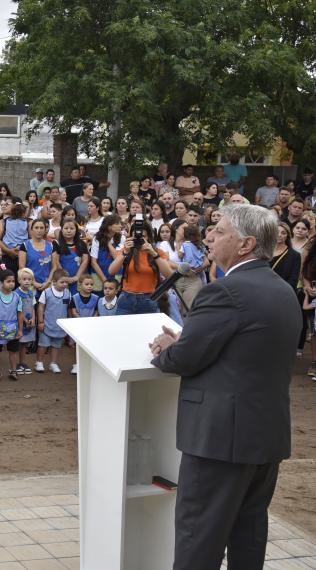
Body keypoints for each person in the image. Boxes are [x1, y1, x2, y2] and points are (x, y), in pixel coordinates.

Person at [149, 204, 299, 570]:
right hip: (264, 436)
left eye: (220, 230)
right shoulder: (282, 289)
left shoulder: (226, 292)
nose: (210, 236)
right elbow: (244, 350)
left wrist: (171, 348)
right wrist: (192, 339)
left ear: (246, 244)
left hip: (220, 441)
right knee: (248, 537)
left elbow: (184, 360)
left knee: (199, 539)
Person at [109, 223, 174, 315]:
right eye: (136, 236)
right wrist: (125, 252)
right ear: (131, 237)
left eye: (143, 236)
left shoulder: (157, 252)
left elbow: (169, 274)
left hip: (148, 298)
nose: (139, 239)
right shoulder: (126, 250)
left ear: (149, 237)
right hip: (127, 298)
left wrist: (154, 254)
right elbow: (111, 271)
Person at [0, 269, 24, 381]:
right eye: (8, 281)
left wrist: (20, 330)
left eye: (13, 281)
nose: (12, 283)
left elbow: (20, 314)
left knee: (13, 351)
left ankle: (13, 370)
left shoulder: (17, 297)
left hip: (13, 330)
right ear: (1, 282)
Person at [35, 269, 71, 374]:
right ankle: (39, 362)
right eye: (62, 282)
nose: (64, 284)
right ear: (54, 282)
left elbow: (68, 309)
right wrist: (41, 322)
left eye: (66, 282)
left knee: (56, 345)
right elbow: (40, 307)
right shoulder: (46, 292)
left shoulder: (68, 293)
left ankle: (53, 363)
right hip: (46, 324)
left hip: (60, 326)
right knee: (43, 344)